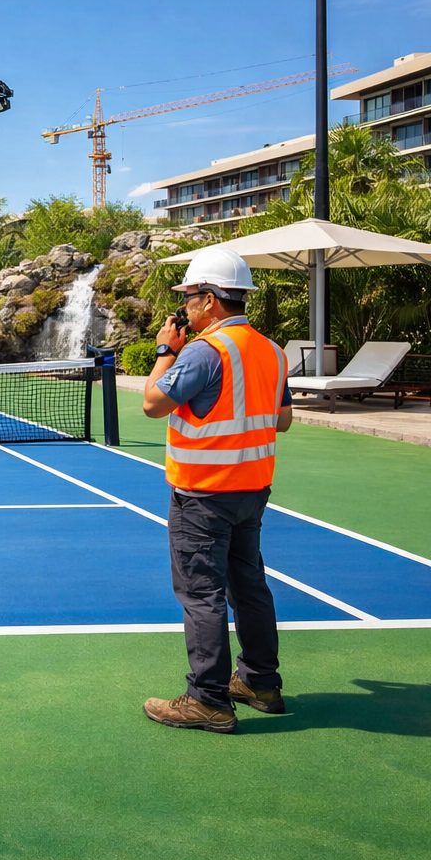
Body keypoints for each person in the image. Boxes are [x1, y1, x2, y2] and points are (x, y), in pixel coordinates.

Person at [139, 247, 294, 733]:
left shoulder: (205, 351)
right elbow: (283, 419)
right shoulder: (271, 350)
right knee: (248, 585)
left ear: (209, 300)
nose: (184, 307)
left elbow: (152, 404)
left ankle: (206, 699)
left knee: (201, 592)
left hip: (203, 493)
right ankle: (260, 683)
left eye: (188, 297)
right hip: (252, 489)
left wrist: (166, 351)